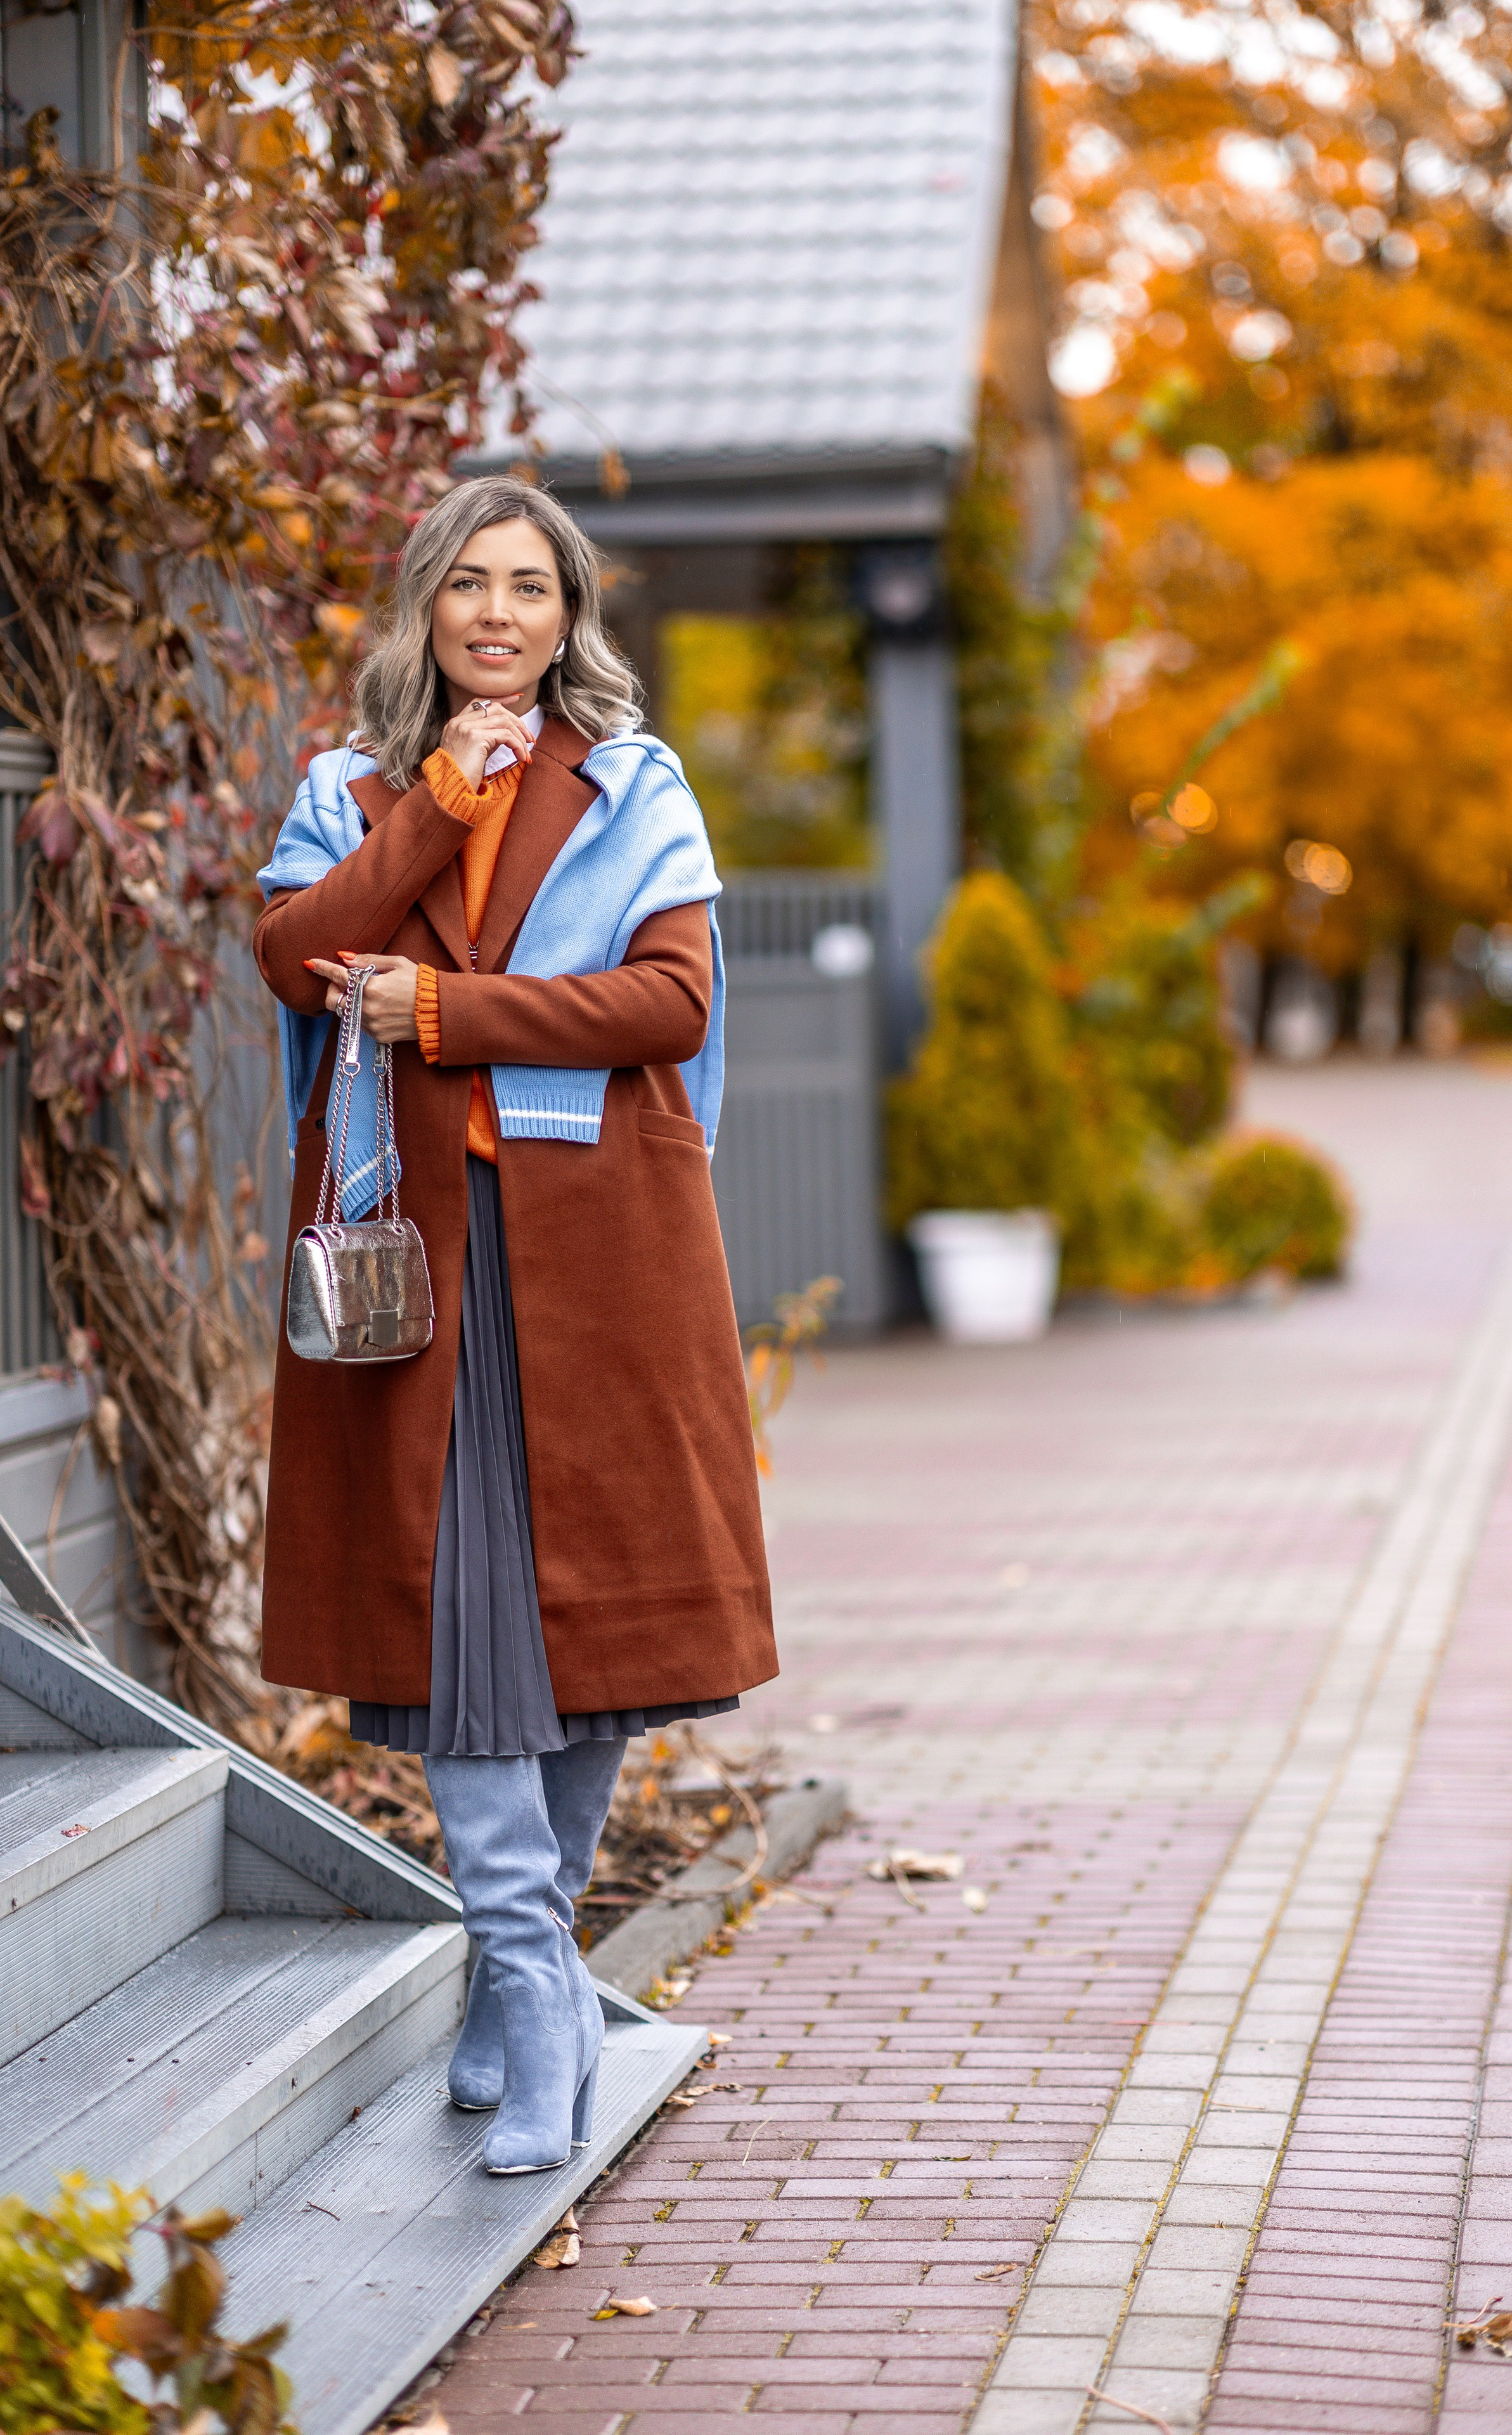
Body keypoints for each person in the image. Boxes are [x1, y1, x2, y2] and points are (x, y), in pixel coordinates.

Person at [254, 474, 776, 2176]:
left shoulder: (635, 784)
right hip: (420, 1263)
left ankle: (514, 1981)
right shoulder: (350, 789)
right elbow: (292, 957)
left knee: (600, 1651)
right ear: (425, 608)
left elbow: (672, 998)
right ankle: (542, 1987)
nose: (498, 612)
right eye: (467, 584)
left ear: (570, 618)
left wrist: (444, 1010)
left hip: (605, 1258)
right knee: (473, 1632)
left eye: (530, 588)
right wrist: (427, 813)